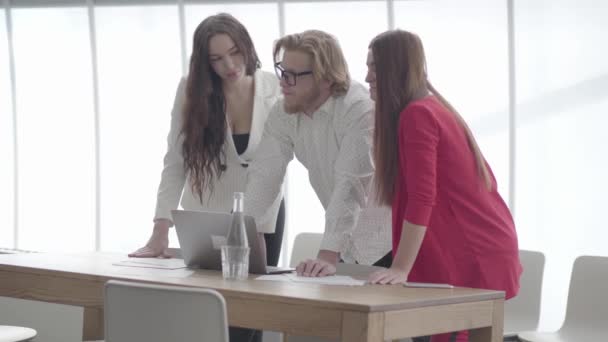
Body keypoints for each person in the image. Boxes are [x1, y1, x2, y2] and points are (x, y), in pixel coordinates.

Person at [128, 13, 284, 342]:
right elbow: (175, 160)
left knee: (248, 316)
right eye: (216, 59)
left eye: (235, 52)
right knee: (211, 316)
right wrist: (161, 229)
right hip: (207, 215)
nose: (229, 64)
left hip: (262, 216)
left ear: (246, 45)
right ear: (204, 62)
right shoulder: (192, 90)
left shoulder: (274, 87)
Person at [365, 29, 522, 342]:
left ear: (395, 69)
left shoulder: (418, 114)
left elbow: (423, 198)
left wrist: (400, 269)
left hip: (472, 249)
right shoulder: (434, 107)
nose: (367, 77)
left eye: (374, 67)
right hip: (480, 244)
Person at [243, 30, 393, 276]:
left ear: (325, 78)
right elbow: (264, 175)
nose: (283, 82)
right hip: (348, 247)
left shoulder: (359, 109)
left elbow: (350, 185)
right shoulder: (284, 112)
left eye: (293, 75)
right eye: (283, 70)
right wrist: (243, 235)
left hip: (389, 243)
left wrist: (328, 254)